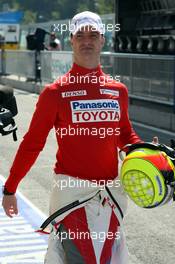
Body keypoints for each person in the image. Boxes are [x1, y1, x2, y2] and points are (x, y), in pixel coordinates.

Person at [2, 11, 158, 264]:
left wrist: (143, 151)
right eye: (80, 35)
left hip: (110, 197)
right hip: (72, 196)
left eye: (93, 35)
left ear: (102, 41)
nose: (87, 41)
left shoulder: (118, 90)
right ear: (71, 41)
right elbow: (32, 144)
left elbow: (123, 134)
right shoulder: (55, 93)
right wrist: (11, 188)